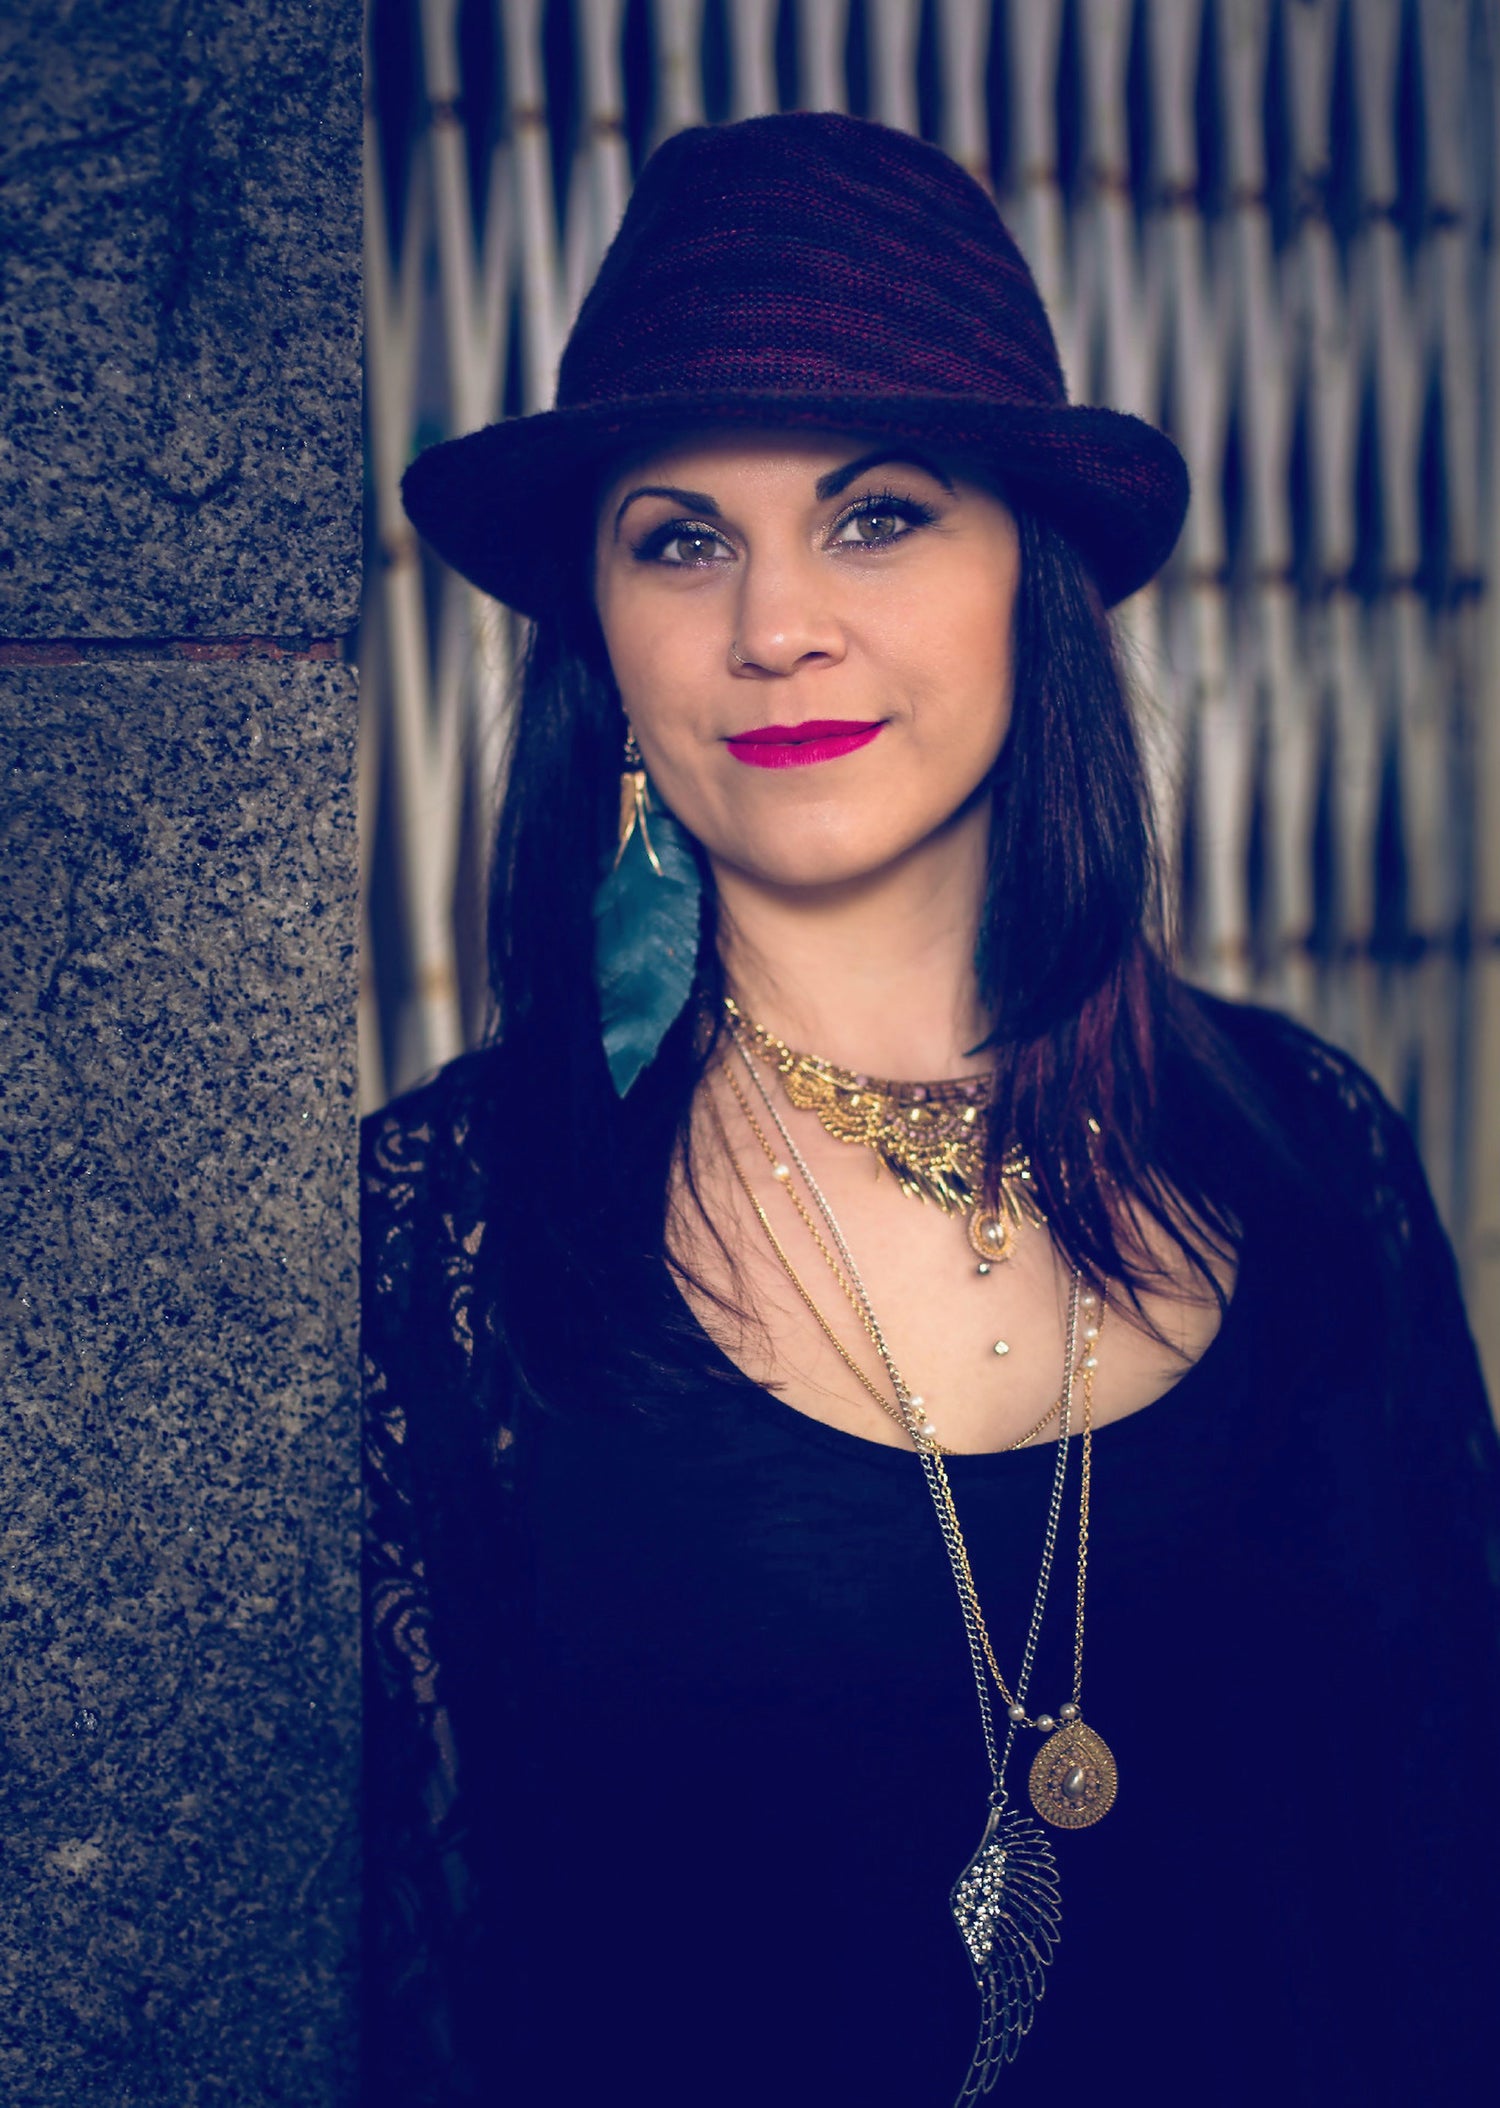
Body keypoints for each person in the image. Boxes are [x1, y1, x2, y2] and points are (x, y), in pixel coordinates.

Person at [362, 112, 1499, 2108]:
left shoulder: (1316, 1152)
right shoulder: (443, 1241)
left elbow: (1446, 1875)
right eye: (679, 534)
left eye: (877, 513)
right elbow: (416, 2005)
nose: (772, 620)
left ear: (1026, 584)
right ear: (601, 648)